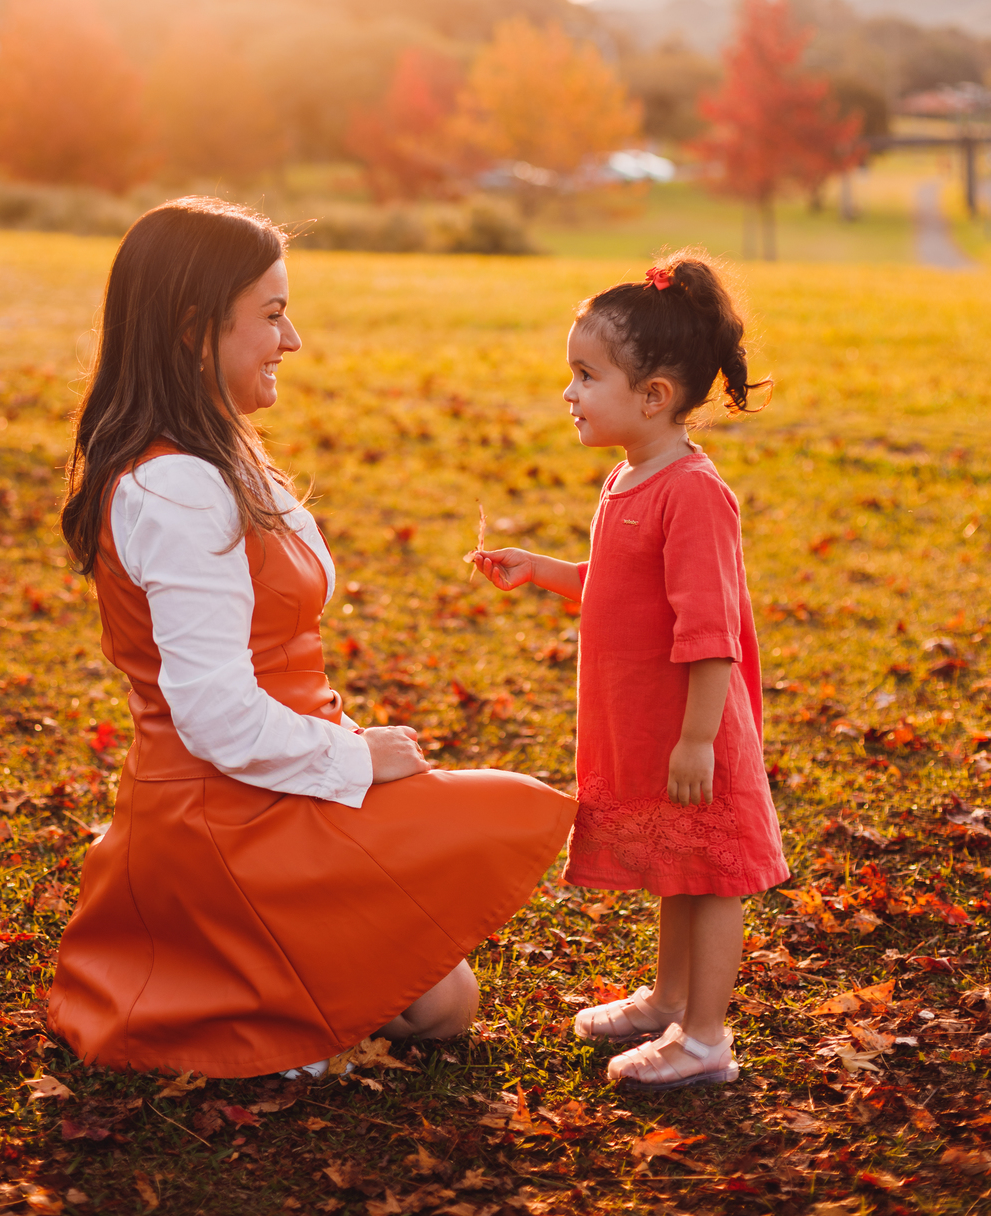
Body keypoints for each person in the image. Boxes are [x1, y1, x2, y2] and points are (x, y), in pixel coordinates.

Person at [48, 197, 575, 1080]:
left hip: (283, 775)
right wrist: (358, 760)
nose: (292, 341)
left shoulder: (219, 452)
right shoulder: (175, 488)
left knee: (441, 1001)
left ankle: (287, 985)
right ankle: (240, 984)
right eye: (273, 315)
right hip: (222, 807)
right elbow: (215, 714)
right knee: (445, 1000)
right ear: (193, 330)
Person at [472, 253, 787, 1089]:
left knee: (712, 877)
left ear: (653, 397)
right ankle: (668, 999)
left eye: (585, 375)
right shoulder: (628, 478)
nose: (568, 393)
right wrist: (540, 570)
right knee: (678, 867)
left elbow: (710, 632)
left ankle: (706, 1037)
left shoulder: (691, 492)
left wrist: (696, 740)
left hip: (695, 724)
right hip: (650, 720)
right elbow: (619, 591)